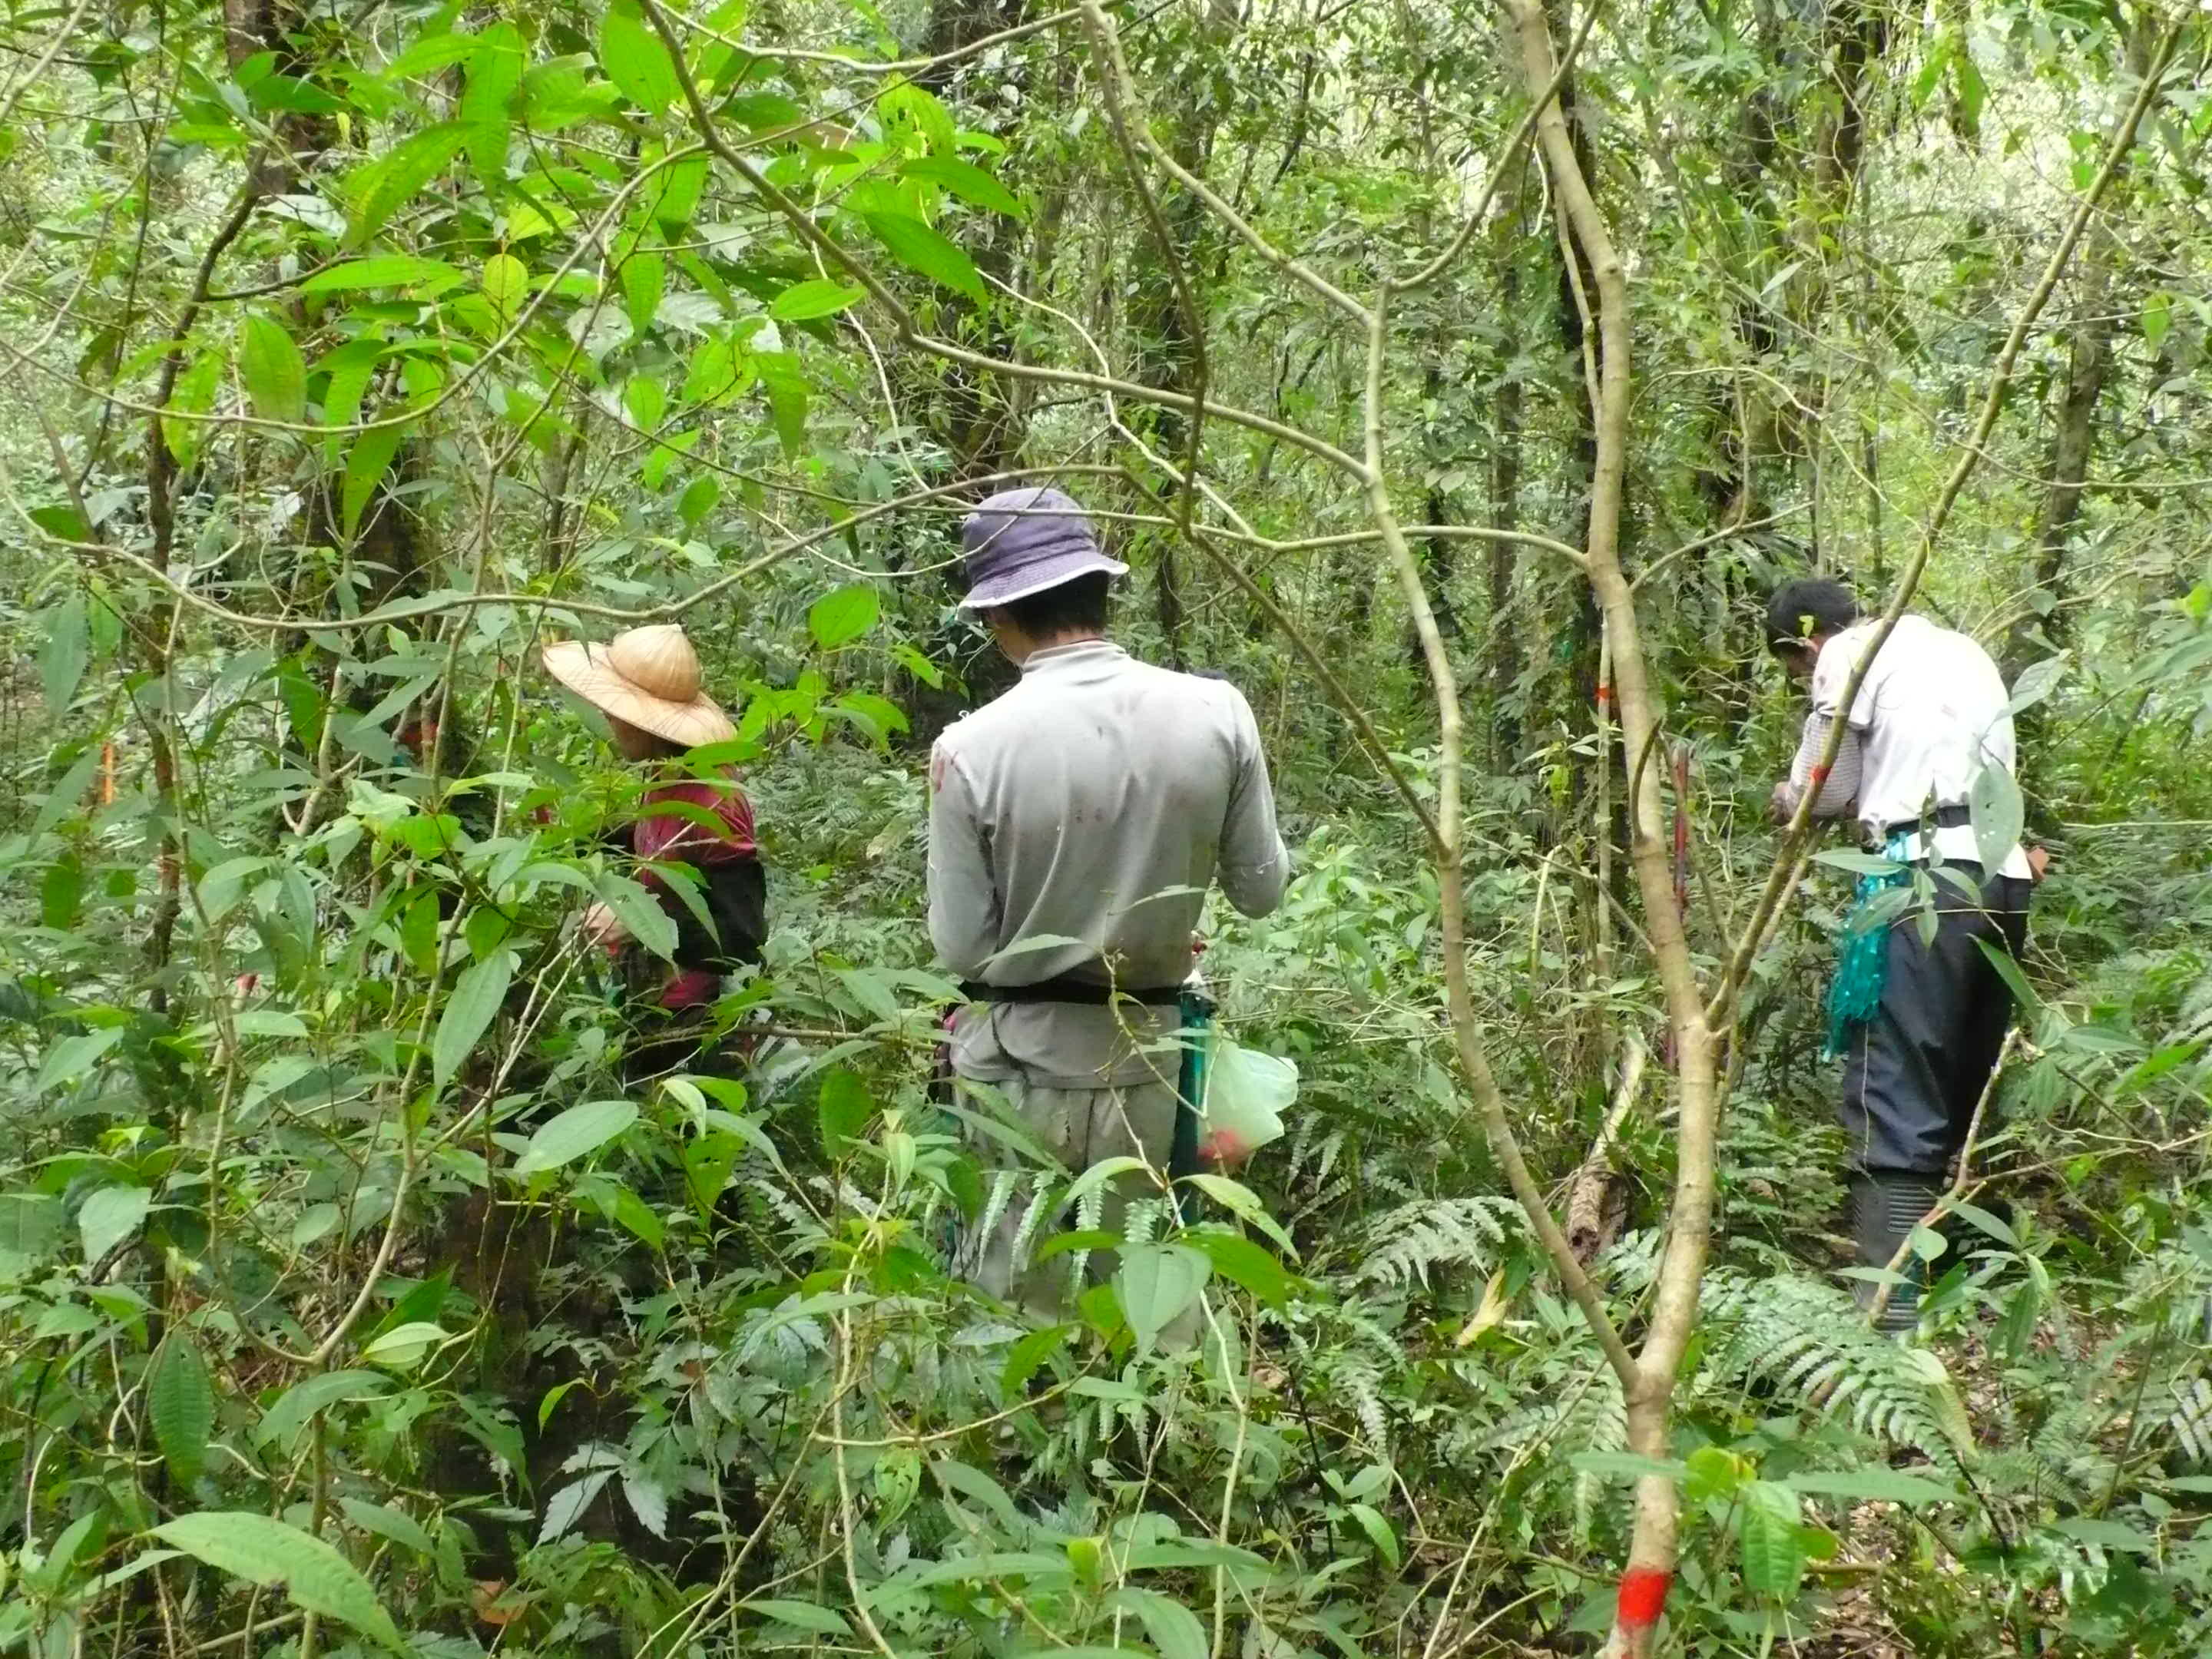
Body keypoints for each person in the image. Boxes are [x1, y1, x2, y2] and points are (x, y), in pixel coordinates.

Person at [927, 487, 1290, 1324]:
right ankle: (1152, 1449)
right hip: (1151, 1060)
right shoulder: (1218, 713)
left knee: (1017, 1298)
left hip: (1015, 1071)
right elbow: (1261, 890)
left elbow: (961, 948)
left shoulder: (969, 749)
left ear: (999, 615)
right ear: (1100, 589)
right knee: (1147, 1296)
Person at [1765, 578, 2039, 1334]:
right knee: (1961, 1088)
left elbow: (1827, 790)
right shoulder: (1957, 648)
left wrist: (1786, 799)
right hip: (2002, 877)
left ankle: (1886, 1324)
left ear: (1804, 644)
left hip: (1921, 885)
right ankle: (1966, 1298)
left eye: (1795, 670)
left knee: (1895, 1086)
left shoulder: (1848, 655)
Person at [541, 624, 767, 1081]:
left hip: (693, 1023)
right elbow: (663, 852)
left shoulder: (713, 799)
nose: (610, 719)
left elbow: (742, 934)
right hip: (649, 995)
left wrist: (640, 925)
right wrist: (581, 839)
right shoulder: (666, 773)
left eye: (619, 712)